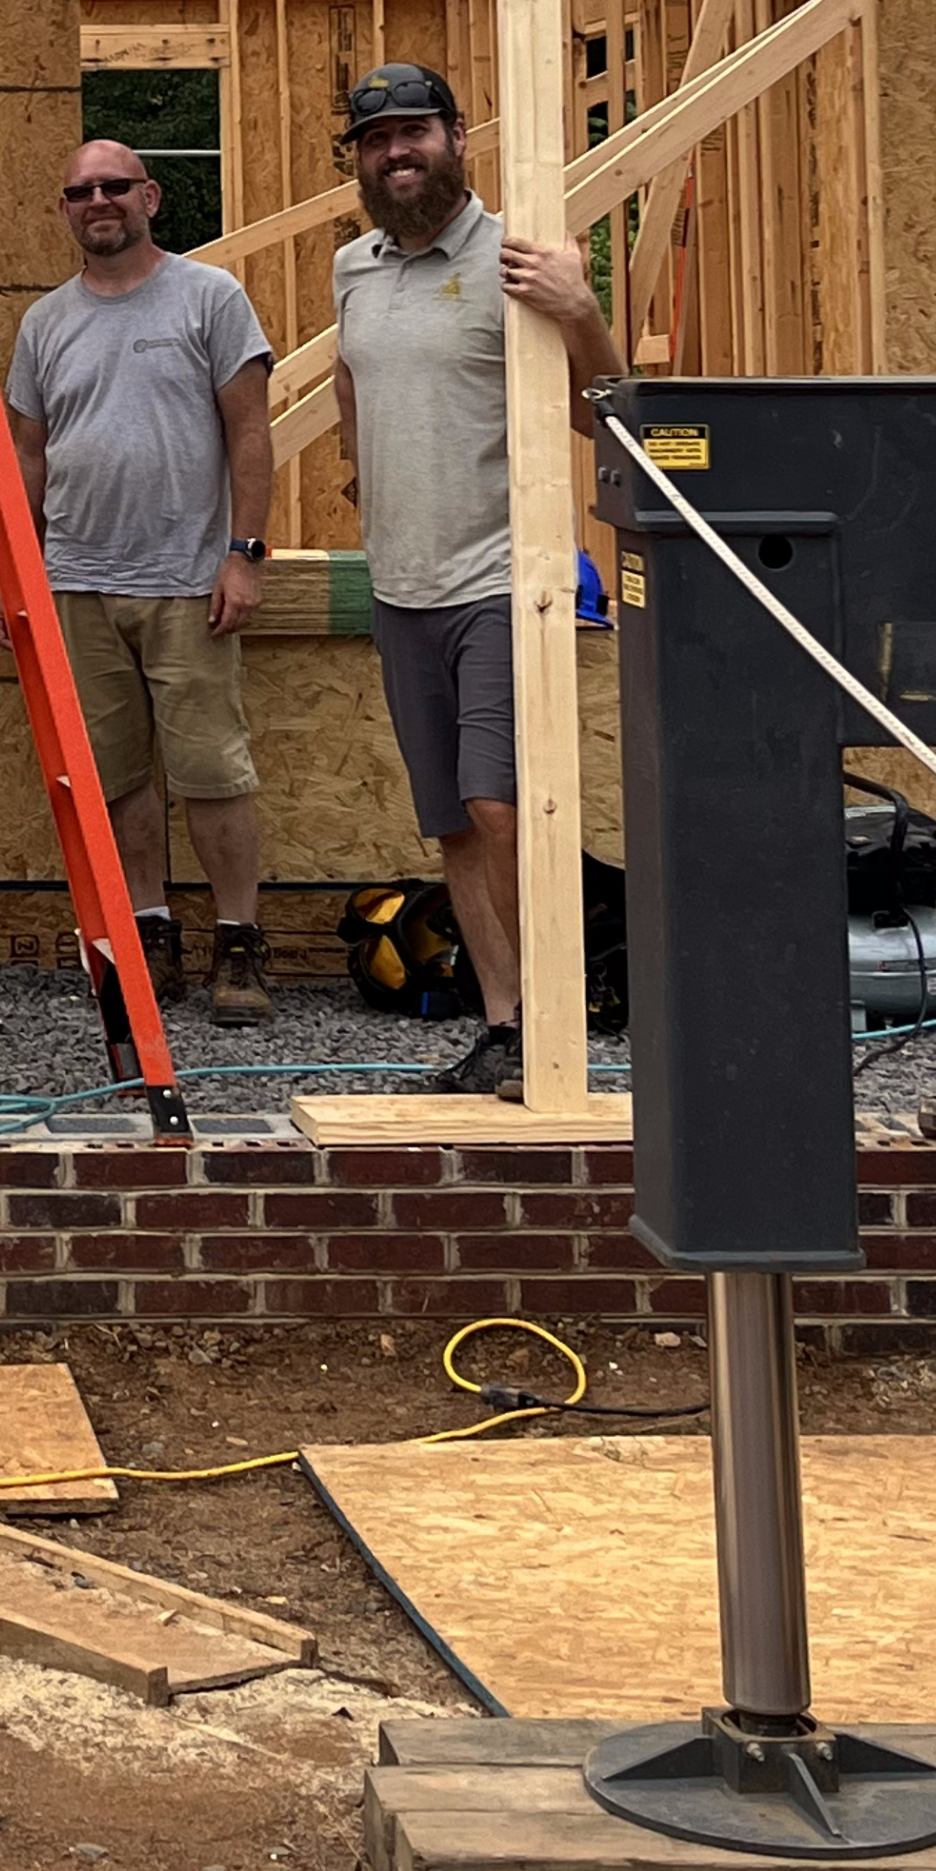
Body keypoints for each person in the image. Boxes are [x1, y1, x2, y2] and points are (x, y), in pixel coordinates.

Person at [331, 59, 622, 1101]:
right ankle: (503, 1025)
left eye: (415, 133)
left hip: (502, 580)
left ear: (459, 136)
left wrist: (582, 312)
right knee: (451, 820)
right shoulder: (354, 269)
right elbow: (350, 378)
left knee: (502, 808)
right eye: (376, 140)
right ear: (359, 159)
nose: (397, 153)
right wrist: (366, 476)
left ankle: (556, 1018)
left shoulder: (518, 261)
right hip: (401, 587)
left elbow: (607, 413)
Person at [4, 137, 279, 1028]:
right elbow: (27, 458)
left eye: (115, 187)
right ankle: (148, 932)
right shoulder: (46, 322)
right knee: (118, 775)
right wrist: (17, 575)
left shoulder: (210, 299)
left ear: (150, 197)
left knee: (212, 773)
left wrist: (243, 552)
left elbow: (249, 432)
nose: (99, 202)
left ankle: (239, 943)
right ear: (65, 210)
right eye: (80, 191)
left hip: (185, 584)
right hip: (79, 583)